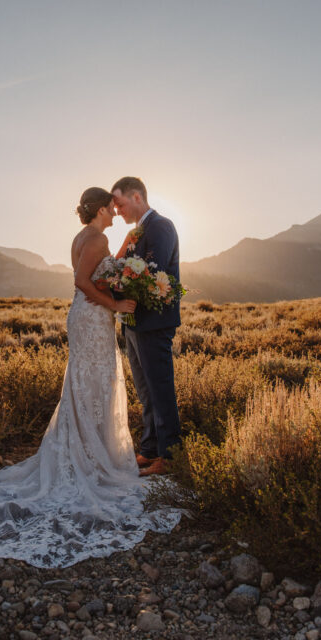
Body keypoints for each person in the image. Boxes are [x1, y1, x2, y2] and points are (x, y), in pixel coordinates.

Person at [0, 187, 181, 568]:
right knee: (93, 383)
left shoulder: (87, 237)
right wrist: (116, 302)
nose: (115, 212)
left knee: (88, 385)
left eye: (119, 205)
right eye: (111, 207)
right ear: (99, 210)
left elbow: (97, 275)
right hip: (94, 316)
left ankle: (93, 450)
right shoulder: (96, 237)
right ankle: (93, 458)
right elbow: (83, 281)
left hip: (90, 316)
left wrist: (120, 273)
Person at [111, 177, 182, 477]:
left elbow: (155, 272)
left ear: (137, 197)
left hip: (154, 323)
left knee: (160, 388)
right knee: (145, 390)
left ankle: (170, 456)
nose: (116, 211)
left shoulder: (161, 227)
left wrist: (116, 289)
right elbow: (125, 269)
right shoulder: (136, 232)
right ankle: (150, 449)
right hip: (134, 323)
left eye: (120, 203)